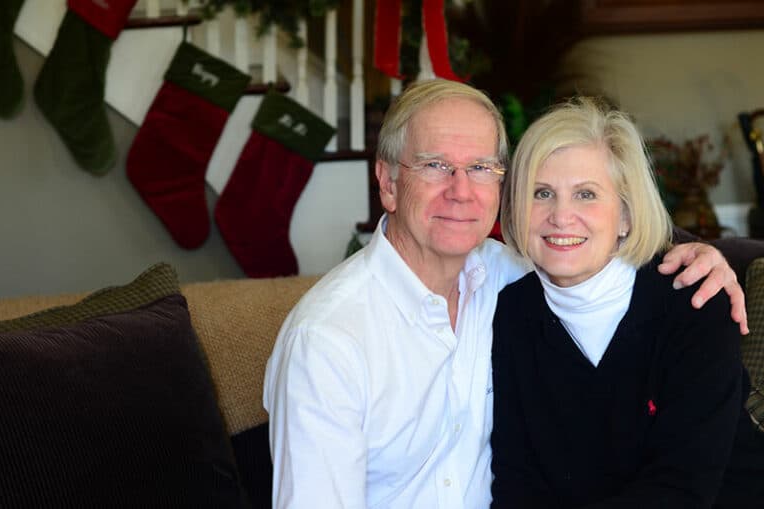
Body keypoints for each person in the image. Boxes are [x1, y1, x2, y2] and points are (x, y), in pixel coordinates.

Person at [263, 79, 747, 509]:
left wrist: (708, 255)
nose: (460, 191)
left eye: (479, 167)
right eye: (435, 165)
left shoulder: (501, 276)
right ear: (389, 183)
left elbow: (596, 255)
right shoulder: (329, 339)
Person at [491, 96, 764, 508]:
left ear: (625, 216)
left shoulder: (695, 300)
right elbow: (516, 481)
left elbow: (682, 490)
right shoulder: (510, 313)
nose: (561, 216)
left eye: (586, 194)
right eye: (541, 193)